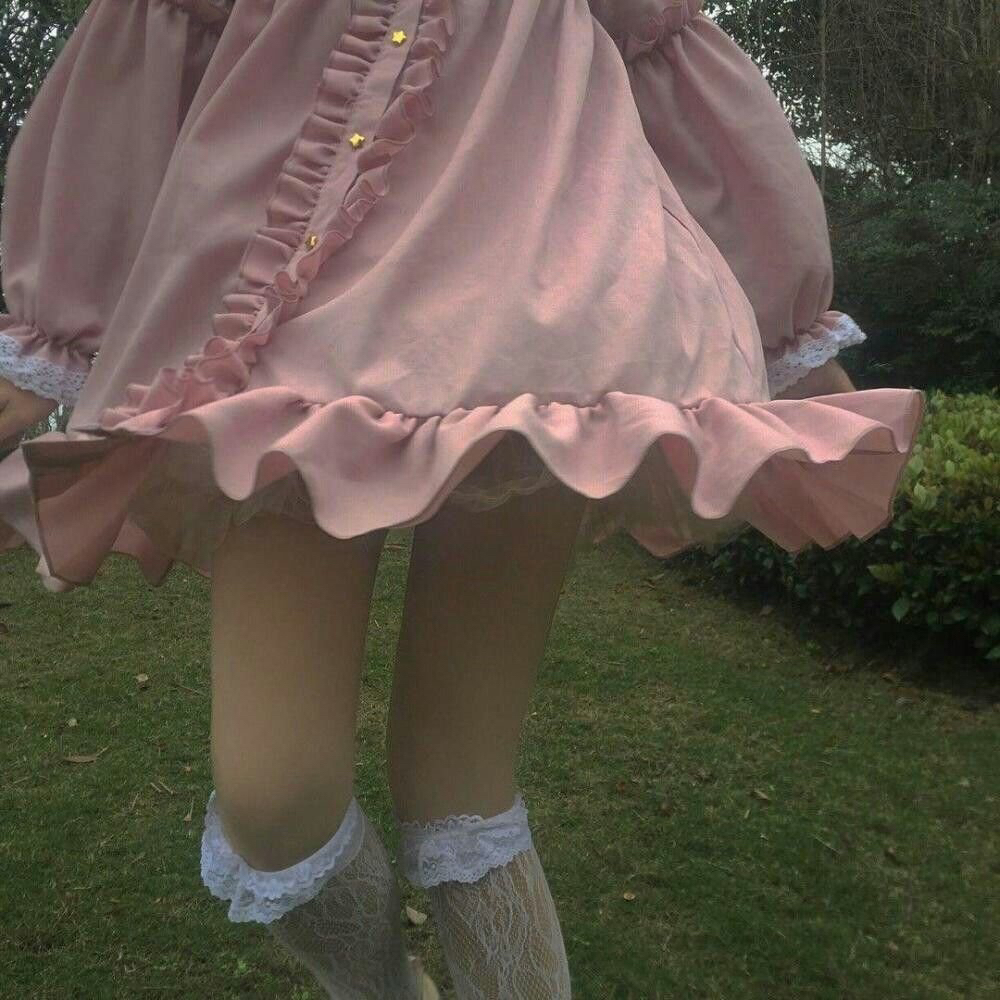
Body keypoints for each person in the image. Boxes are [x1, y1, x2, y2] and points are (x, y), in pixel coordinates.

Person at [0, 0, 925, 996]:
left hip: (546, 294)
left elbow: (663, 54)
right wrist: (50, 325)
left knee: (460, 790)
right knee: (272, 799)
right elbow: (153, 55)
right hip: (291, 321)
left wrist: (788, 328)